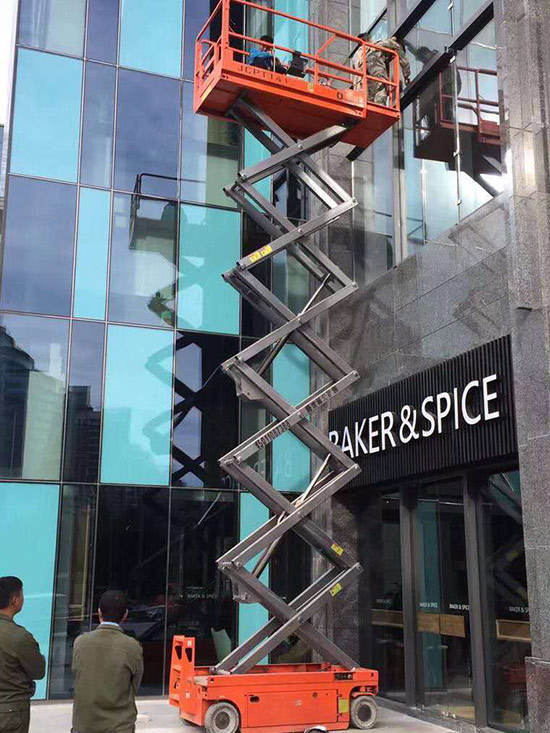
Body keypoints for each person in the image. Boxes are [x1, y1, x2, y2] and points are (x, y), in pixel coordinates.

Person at [72, 590, 143, 733]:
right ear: (125, 615)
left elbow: (77, 674)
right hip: (119, 726)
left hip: (84, 725)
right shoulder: (132, 646)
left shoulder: (80, 642)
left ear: (99, 612)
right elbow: (134, 686)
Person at [0, 576, 45, 733]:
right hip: (9, 713)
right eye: (22, 594)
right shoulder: (19, 637)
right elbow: (38, 671)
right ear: (15, 600)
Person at [352, 33, 411, 105]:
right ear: (369, 39)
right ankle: (380, 105)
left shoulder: (356, 55)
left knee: (369, 97)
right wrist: (407, 75)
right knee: (381, 85)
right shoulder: (386, 44)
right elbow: (403, 59)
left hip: (360, 81)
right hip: (374, 64)